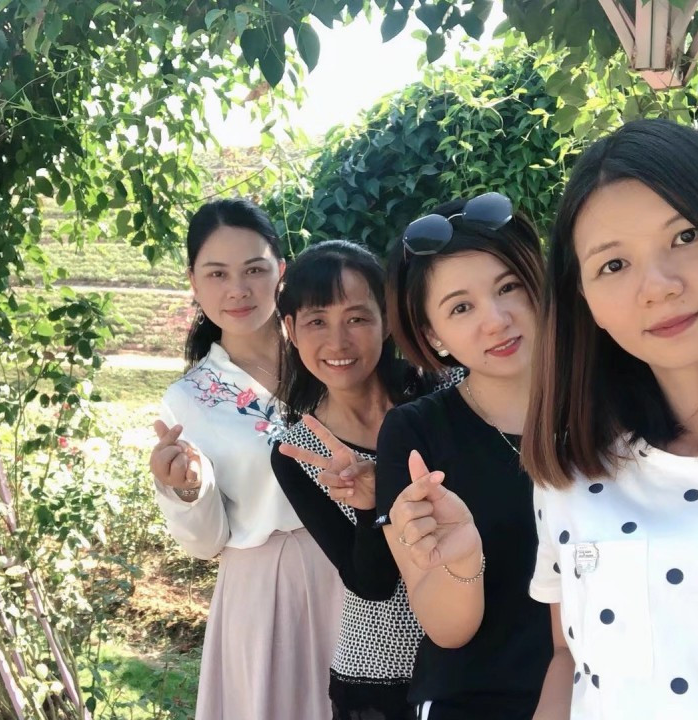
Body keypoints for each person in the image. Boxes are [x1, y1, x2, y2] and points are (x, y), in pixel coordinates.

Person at [522, 118, 698, 720]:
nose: (657, 287)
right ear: (584, 299)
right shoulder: (571, 471)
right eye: (613, 265)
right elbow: (569, 655)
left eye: (685, 235)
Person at [148, 198, 343, 720]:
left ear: (281, 271)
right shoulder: (189, 399)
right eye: (217, 273)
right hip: (264, 593)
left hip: (359, 570)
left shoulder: (331, 353)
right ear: (193, 282)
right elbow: (205, 542)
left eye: (254, 269)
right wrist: (187, 488)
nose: (238, 289)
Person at [375, 194, 553, 719]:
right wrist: (461, 560)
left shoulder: (617, 406)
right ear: (433, 334)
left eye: (508, 287)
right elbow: (446, 630)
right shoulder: (415, 435)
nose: (495, 320)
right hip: (478, 701)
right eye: (461, 307)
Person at [270, 240, 457, 720]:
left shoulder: (446, 395)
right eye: (317, 321)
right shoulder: (297, 451)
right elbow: (370, 584)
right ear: (290, 329)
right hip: (381, 673)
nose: (338, 342)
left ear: (387, 320)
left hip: (482, 653)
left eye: (356, 318)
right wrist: (370, 506)